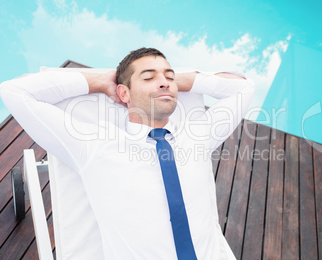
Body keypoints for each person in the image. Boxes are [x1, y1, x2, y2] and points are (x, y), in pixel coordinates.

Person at [0, 47, 255, 259]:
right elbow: (14, 92)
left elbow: (243, 88)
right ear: (124, 93)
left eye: (169, 77)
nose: (164, 82)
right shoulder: (94, 145)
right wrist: (98, 82)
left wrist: (182, 79)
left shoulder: (199, 136)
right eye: (148, 77)